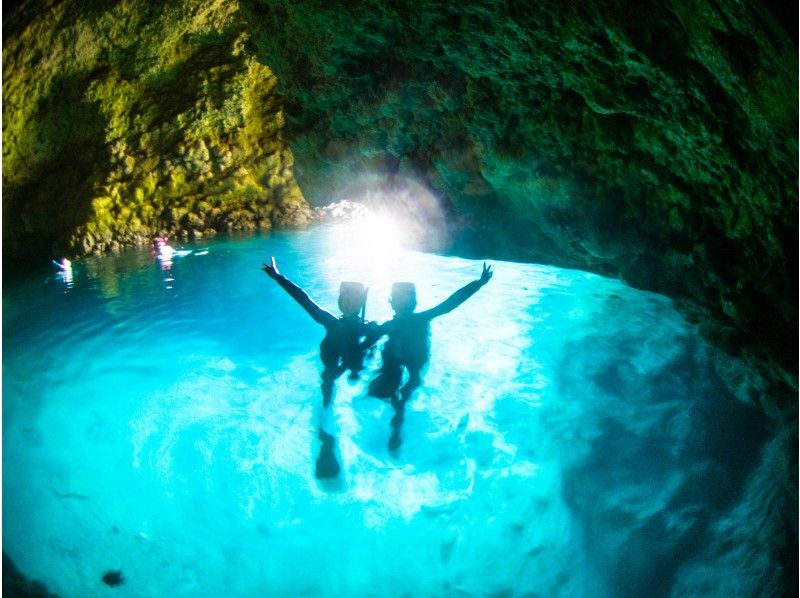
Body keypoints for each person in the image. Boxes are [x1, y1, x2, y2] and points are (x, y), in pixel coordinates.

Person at [367, 262, 493, 451]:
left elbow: (449, 304)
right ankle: (396, 406)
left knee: (407, 384)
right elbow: (369, 335)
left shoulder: (421, 318)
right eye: (397, 299)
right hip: (398, 359)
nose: (400, 304)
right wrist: (370, 330)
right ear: (391, 302)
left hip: (414, 359)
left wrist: (478, 283)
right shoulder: (389, 325)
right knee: (383, 385)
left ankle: (398, 415)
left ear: (412, 302)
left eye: (405, 300)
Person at [262, 257, 374, 408]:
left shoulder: (366, 328)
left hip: (349, 365)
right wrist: (278, 277)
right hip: (336, 365)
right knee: (329, 377)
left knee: (334, 374)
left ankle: (331, 403)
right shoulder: (332, 322)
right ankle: (327, 408)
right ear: (340, 301)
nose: (348, 304)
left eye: (352, 301)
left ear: (360, 304)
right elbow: (303, 298)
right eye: (345, 299)